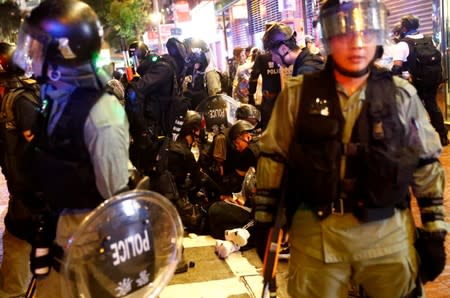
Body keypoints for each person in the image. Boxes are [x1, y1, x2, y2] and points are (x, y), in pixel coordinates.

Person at [254, 0, 447, 297]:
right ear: (329, 38)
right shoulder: (296, 96)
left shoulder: (401, 95)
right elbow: (273, 161)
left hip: (388, 240)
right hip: (316, 242)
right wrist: (266, 223)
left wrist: (434, 231)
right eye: (345, 33)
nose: (357, 43)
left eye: (366, 33)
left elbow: (426, 164)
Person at [12, 0, 130, 296]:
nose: (31, 54)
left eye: (38, 46)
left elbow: (114, 196)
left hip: (89, 252)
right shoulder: (55, 100)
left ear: (64, 50)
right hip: (58, 242)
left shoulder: (102, 113)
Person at [0, 42, 40, 297]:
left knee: (18, 244)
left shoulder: (20, 99)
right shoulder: (14, 98)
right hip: (27, 192)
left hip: (33, 194)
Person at [125, 38, 189, 174]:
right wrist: (142, 132)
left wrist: (142, 132)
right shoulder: (164, 69)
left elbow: (135, 92)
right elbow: (134, 93)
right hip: (154, 136)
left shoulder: (164, 69)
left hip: (159, 134)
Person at [391, 14, 448, 146]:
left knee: (414, 108)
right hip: (433, 79)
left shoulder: (403, 44)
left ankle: (418, 139)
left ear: (404, 28)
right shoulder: (429, 39)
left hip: (416, 81)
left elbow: (396, 67)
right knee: (432, 105)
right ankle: (443, 136)